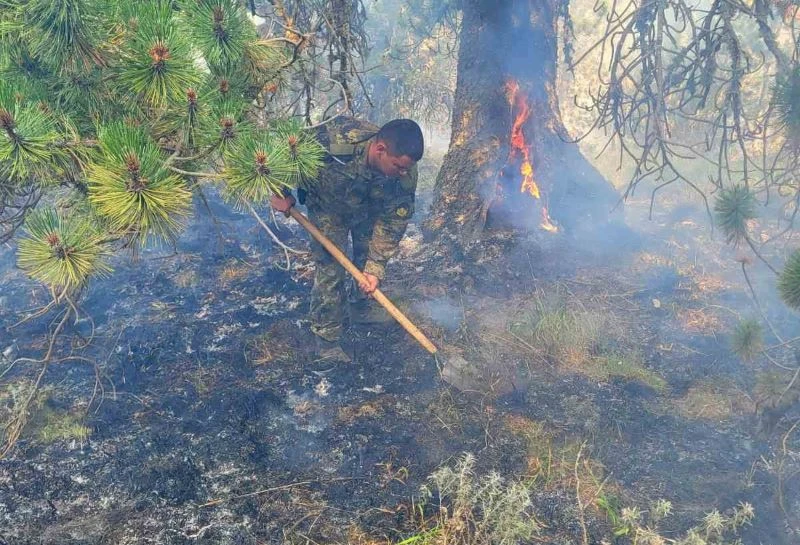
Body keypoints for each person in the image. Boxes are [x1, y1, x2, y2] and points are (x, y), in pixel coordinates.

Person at [270, 117, 425, 362]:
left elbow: (394, 220)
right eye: (398, 166)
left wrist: (375, 268)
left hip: (369, 210)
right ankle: (327, 340)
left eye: (406, 168)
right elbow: (277, 155)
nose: (403, 173)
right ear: (380, 149)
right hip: (328, 207)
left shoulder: (405, 172)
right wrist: (280, 192)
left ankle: (360, 307)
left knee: (366, 264)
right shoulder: (333, 140)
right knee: (331, 270)